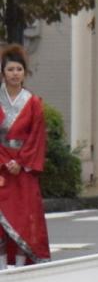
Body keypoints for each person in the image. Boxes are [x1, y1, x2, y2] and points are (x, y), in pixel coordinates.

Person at [0, 45, 49, 269]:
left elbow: (37, 137)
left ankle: (20, 266)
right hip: (1, 168)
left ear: (24, 72)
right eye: (10, 69)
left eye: (19, 69)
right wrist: (4, 162)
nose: (15, 73)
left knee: (24, 217)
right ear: (3, 72)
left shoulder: (33, 102)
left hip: (23, 168)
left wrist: (20, 162)